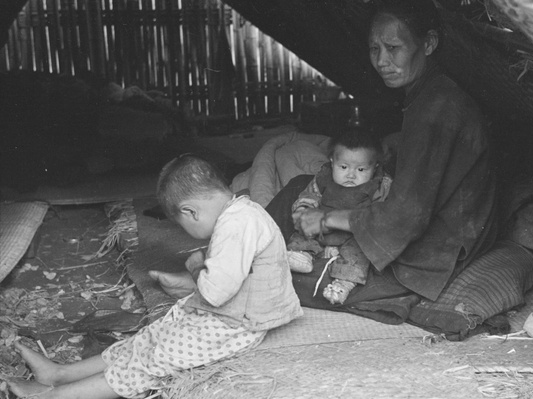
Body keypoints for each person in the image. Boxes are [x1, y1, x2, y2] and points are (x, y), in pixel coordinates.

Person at [7, 154, 303, 399]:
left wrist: (196, 266)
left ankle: (54, 396)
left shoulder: (237, 225)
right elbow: (236, 276)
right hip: (231, 314)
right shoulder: (238, 212)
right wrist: (192, 280)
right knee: (150, 337)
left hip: (240, 325)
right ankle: (61, 374)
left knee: (156, 358)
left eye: (181, 225)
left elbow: (216, 292)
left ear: (190, 212)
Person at [289, 0, 497, 314]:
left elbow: (407, 215)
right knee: (301, 190)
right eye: (374, 49)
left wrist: (325, 217)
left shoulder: (436, 108)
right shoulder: (430, 94)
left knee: (297, 279)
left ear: (428, 44)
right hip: (452, 226)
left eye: (393, 47)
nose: (382, 61)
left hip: (443, 246)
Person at [287, 129, 392, 305]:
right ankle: (303, 254)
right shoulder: (323, 179)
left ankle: (344, 281)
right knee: (302, 230)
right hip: (322, 229)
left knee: (362, 249)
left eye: (361, 169)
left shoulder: (380, 185)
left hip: (353, 236)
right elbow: (309, 196)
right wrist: (304, 210)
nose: (351, 175)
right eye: (343, 167)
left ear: (375, 168)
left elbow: (381, 216)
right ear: (332, 161)